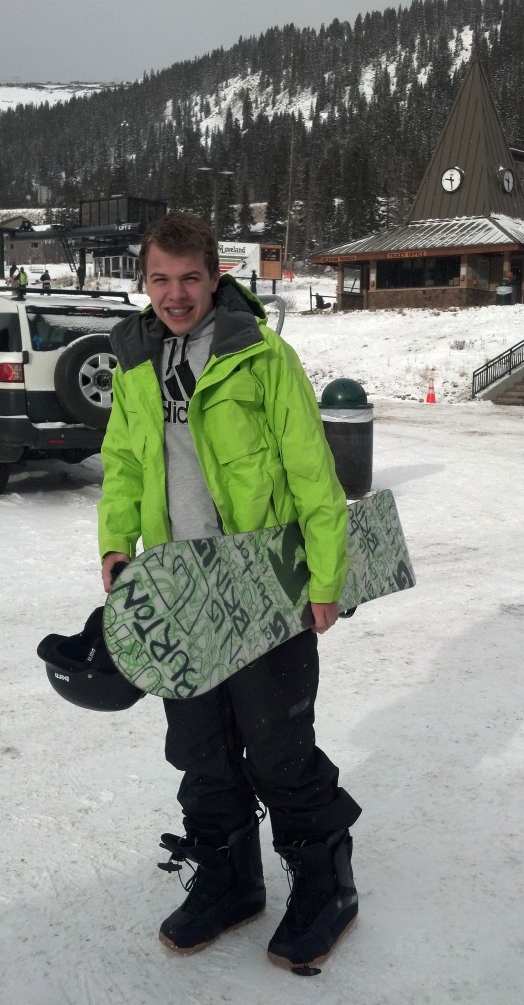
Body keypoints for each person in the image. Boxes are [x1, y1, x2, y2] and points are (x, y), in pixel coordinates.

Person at [97, 211, 361, 971]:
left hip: (263, 587)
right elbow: (123, 463)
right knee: (200, 749)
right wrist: (116, 542)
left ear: (216, 278)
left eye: (190, 278)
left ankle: (327, 886)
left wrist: (325, 579)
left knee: (278, 749)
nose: (175, 294)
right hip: (178, 590)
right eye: (160, 279)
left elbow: (312, 470)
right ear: (143, 282)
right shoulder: (135, 361)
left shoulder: (262, 357)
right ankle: (230, 880)